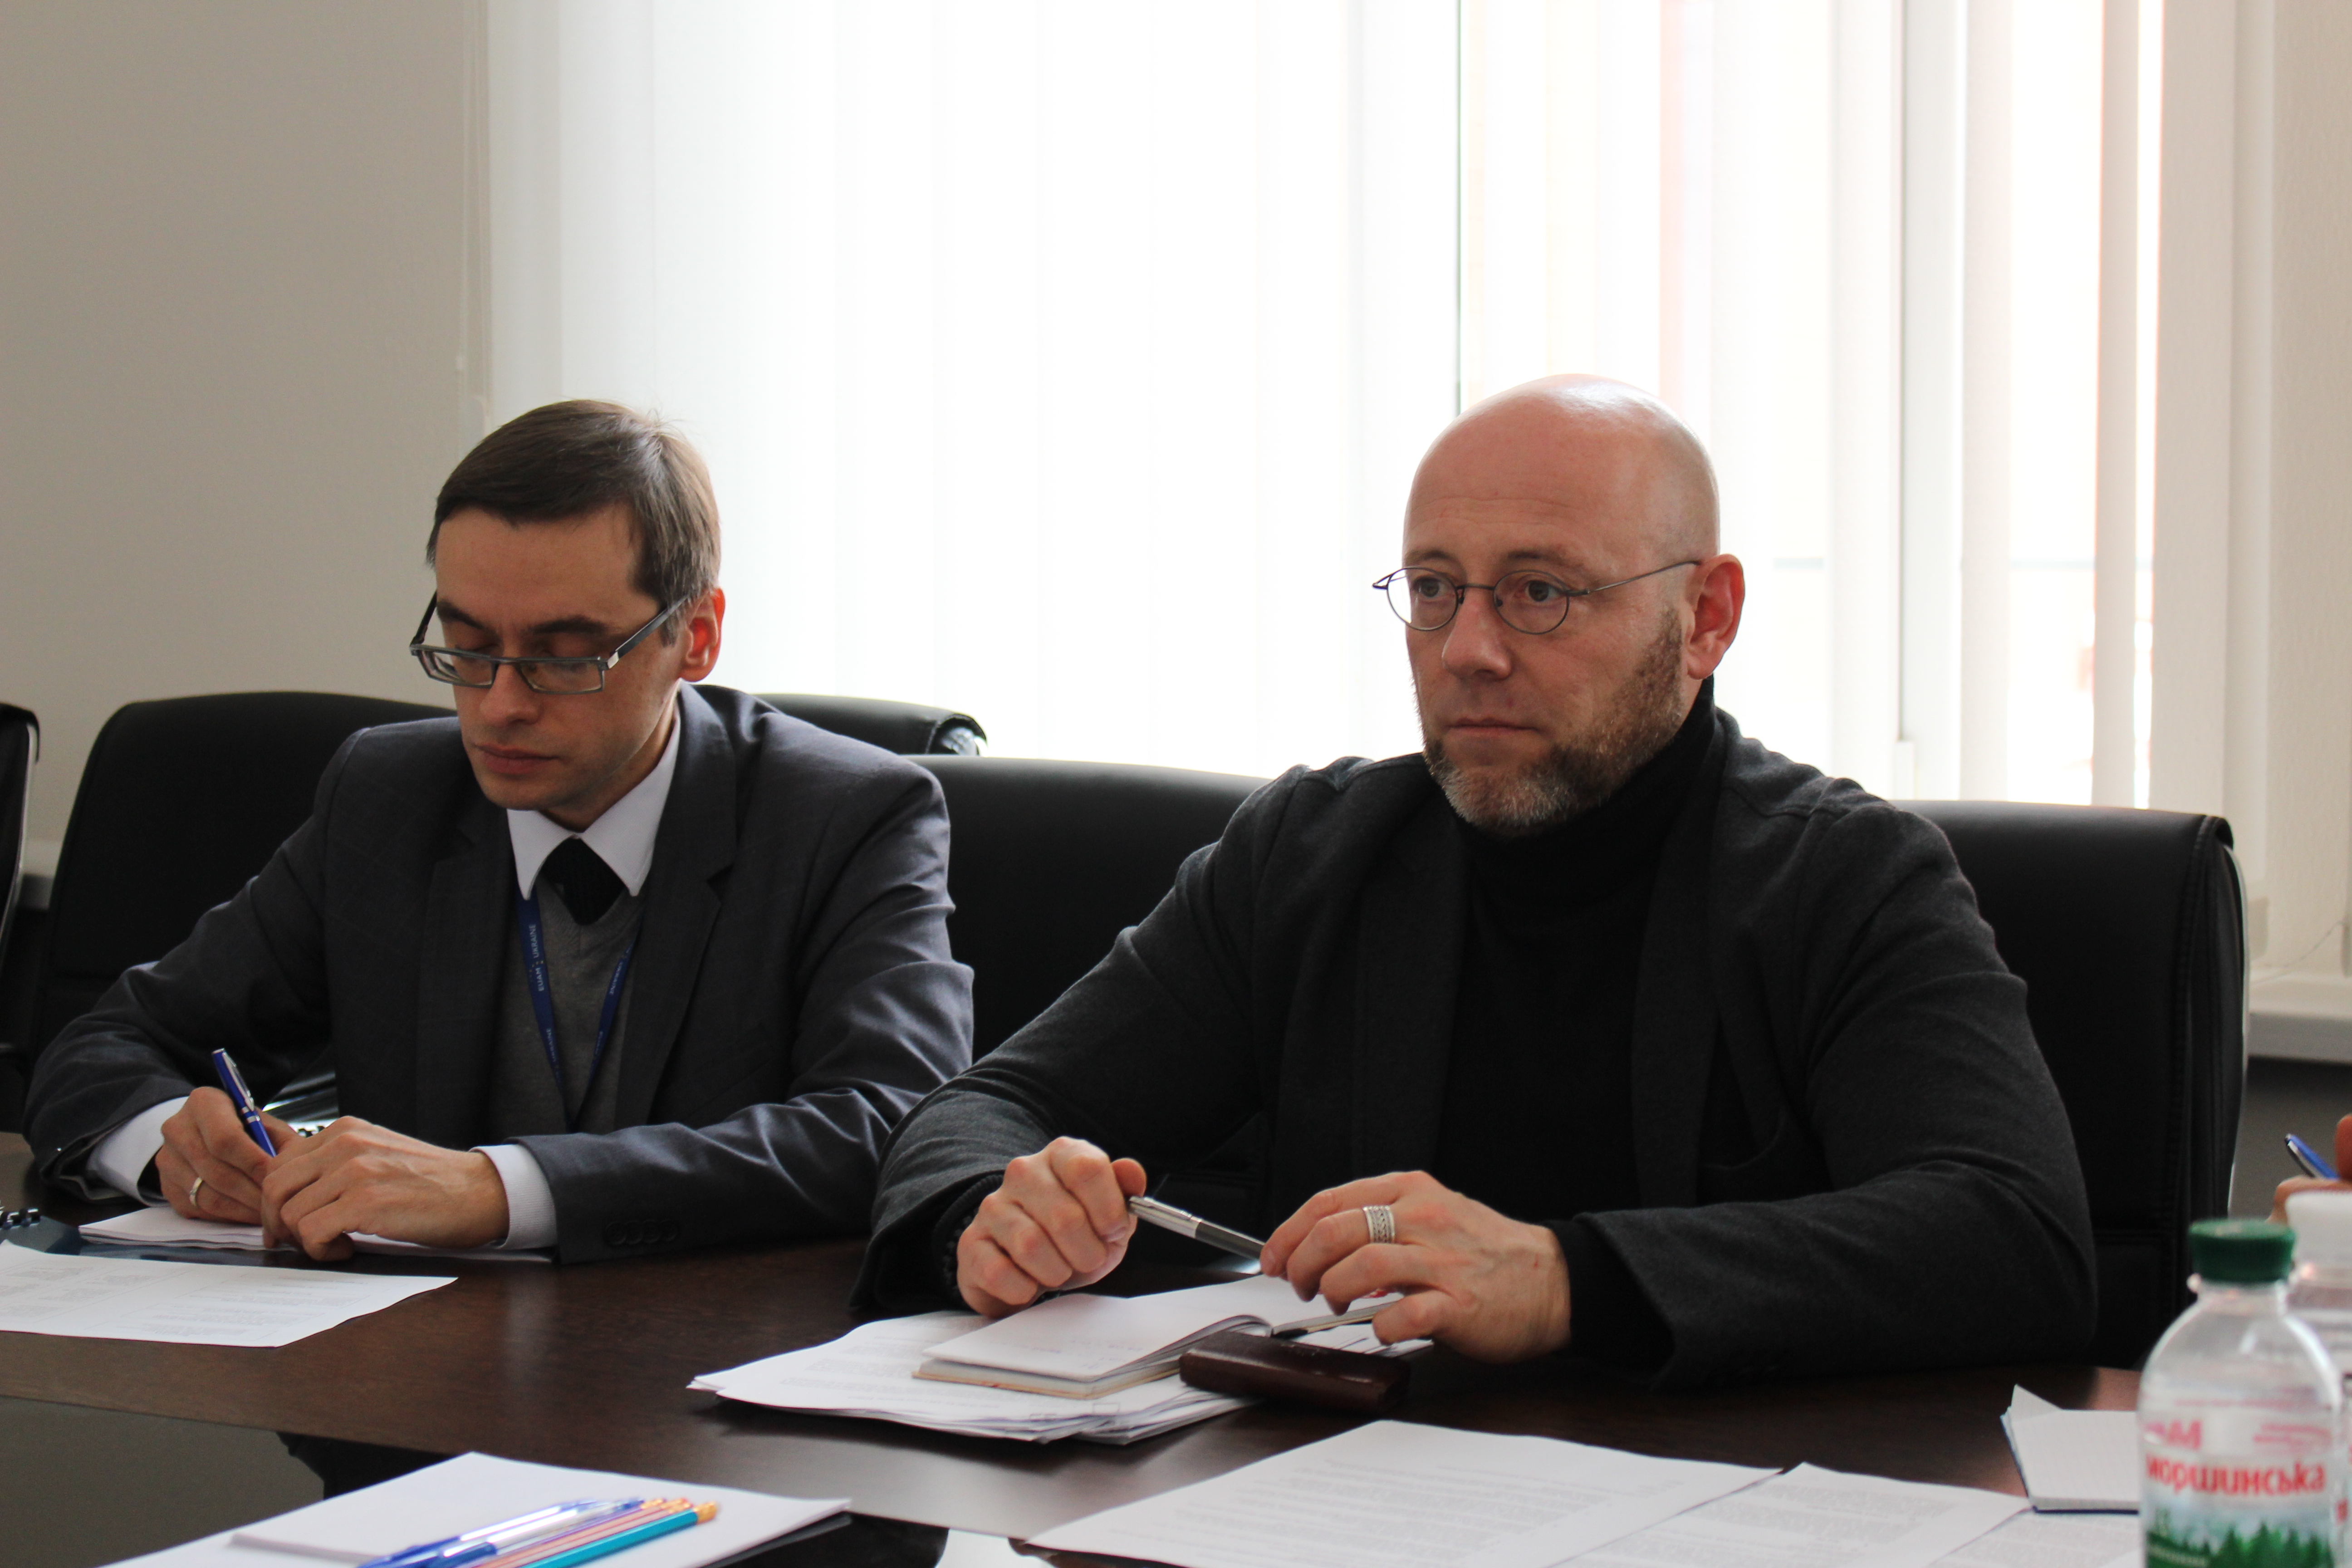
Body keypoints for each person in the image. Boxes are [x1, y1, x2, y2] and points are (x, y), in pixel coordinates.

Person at [860, 374, 2095, 1388]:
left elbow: (2014, 1237)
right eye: (1436, 589)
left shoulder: (1843, 878)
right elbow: (982, 1111)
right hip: (1336, 1504)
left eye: (1541, 592)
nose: (1468, 650)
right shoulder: (1310, 854)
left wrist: (1564, 1281)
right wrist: (995, 1214)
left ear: (1707, 618)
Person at [28, 400, 972, 1264]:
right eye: (470, 646)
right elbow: (107, 1044)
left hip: (704, 1365)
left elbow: (892, 1121)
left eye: (566, 658)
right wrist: (169, 1148)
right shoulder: (389, 797)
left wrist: (500, 1190)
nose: (499, 706)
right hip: (409, 1356)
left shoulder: (845, 817)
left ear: (696, 636)